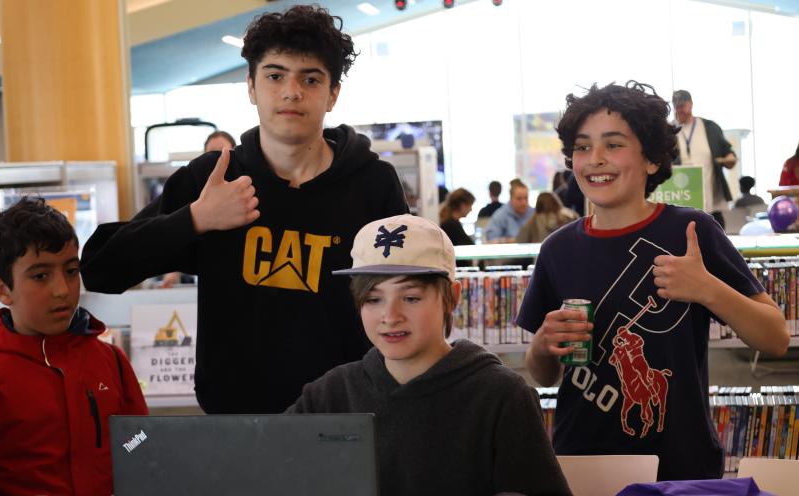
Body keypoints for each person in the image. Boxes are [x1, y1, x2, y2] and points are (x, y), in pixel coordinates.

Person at [80, 5, 409, 414]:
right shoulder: (213, 178)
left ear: (333, 93)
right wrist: (196, 218)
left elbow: (408, 297)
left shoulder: (372, 184)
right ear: (251, 87)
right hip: (236, 422)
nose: (291, 92)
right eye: (275, 76)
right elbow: (100, 268)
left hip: (348, 418)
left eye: (310, 78)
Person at [518, 81, 789, 482]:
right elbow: (544, 375)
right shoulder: (558, 249)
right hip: (582, 461)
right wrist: (542, 346)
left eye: (613, 144)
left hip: (680, 463)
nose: (595, 159)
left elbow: (775, 338)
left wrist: (706, 288)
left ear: (651, 159)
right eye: (582, 146)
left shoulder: (692, 230)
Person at [287, 214, 570, 496]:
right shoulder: (330, 393)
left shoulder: (502, 395)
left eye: (411, 298)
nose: (390, 316)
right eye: (373, 299)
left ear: (453, 297)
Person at [0, 197, 149, 495]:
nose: (62, 291)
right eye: (40, 276)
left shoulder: (111, 361)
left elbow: (144, 453)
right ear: (2, 290)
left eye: (71, 271)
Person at [159, 129, 241, 289]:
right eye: (211, 153)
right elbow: (180, 235)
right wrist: (173, 274)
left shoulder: (243, 190)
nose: (216, 159)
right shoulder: (191, 190)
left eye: (222, 153)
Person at [672, 90, 737, 228]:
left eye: (682, 106)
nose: (679, 111)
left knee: (716, 242)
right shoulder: (669, 131)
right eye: (676, 107)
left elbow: (727, 152)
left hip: (712, 202)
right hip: (682, 201)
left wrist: (730, 159)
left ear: (691, 104)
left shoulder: (710, 127)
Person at [485, 178, 533, 242]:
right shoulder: (500, 216)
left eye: (526, 198)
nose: (523, 203)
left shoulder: (534, 214)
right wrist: (511, 241)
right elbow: (491, 240)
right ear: (511, 198)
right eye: (519, 199)